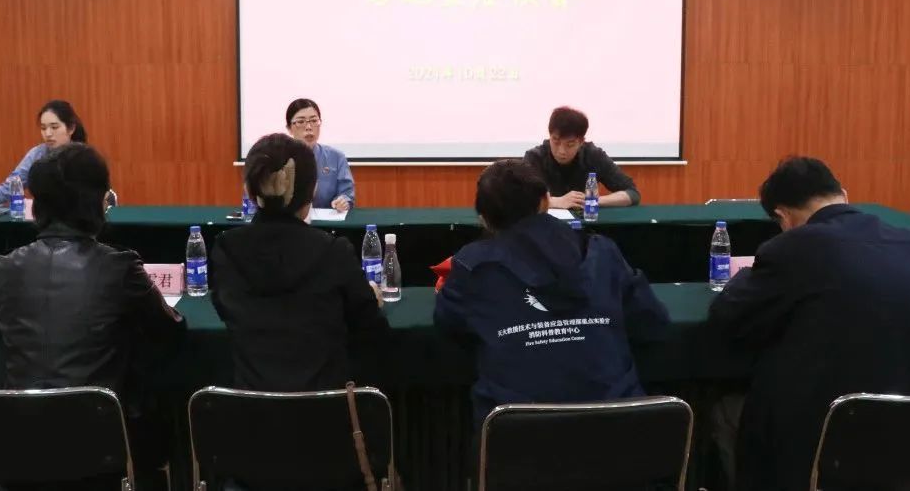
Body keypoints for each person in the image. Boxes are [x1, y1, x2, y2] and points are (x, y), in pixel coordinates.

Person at [709, 157, 910, 491]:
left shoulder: (792, 247)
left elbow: (729, 316)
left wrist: (743, 277)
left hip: (827, 448)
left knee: (726, 412)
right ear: (843, 194)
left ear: (783, 216)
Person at [0, 143, 185, 491]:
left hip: (18, 451)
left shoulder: (4, 268)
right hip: (102, 451)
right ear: (97, 201)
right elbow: (170, 332)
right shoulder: (119, 266)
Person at [433, 159, 669, 427]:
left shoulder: (472, 267)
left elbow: (449, 324)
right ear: (546, 202)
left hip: (517, 437)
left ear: (483, 219)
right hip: (621, 431)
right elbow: (652, 323)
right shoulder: (601, 252)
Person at [212, 133, 387, 392]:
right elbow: (371, 327)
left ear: (248, 190)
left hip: (250, 408)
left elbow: (224, 309)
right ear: (313, 190)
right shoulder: (333, 251)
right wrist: (370, 297)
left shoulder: (227, 249)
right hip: (327, 407)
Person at [523, 106, 641, 210]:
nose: (561, 151)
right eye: (556, 141)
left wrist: (592, 201)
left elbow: (632, 194)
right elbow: (521, 199)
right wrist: (555, 202)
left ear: (581, 142)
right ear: (550, 136)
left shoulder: (594, 155)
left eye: (570, 144)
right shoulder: (534, 157)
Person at [0, 100, 87, 207]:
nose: (48, 134)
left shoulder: (85, 157)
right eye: (43, 128)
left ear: (71, 128)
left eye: (54, 127)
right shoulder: (37, 154)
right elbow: (8, 189)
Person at [285, 98, 355, 211]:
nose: (309, 127)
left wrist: (342, 201)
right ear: (289, 128)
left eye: (314, 121)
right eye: (301, 122)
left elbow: (347, 194)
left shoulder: (336, 157)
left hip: (327, 220)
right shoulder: (278, 157)